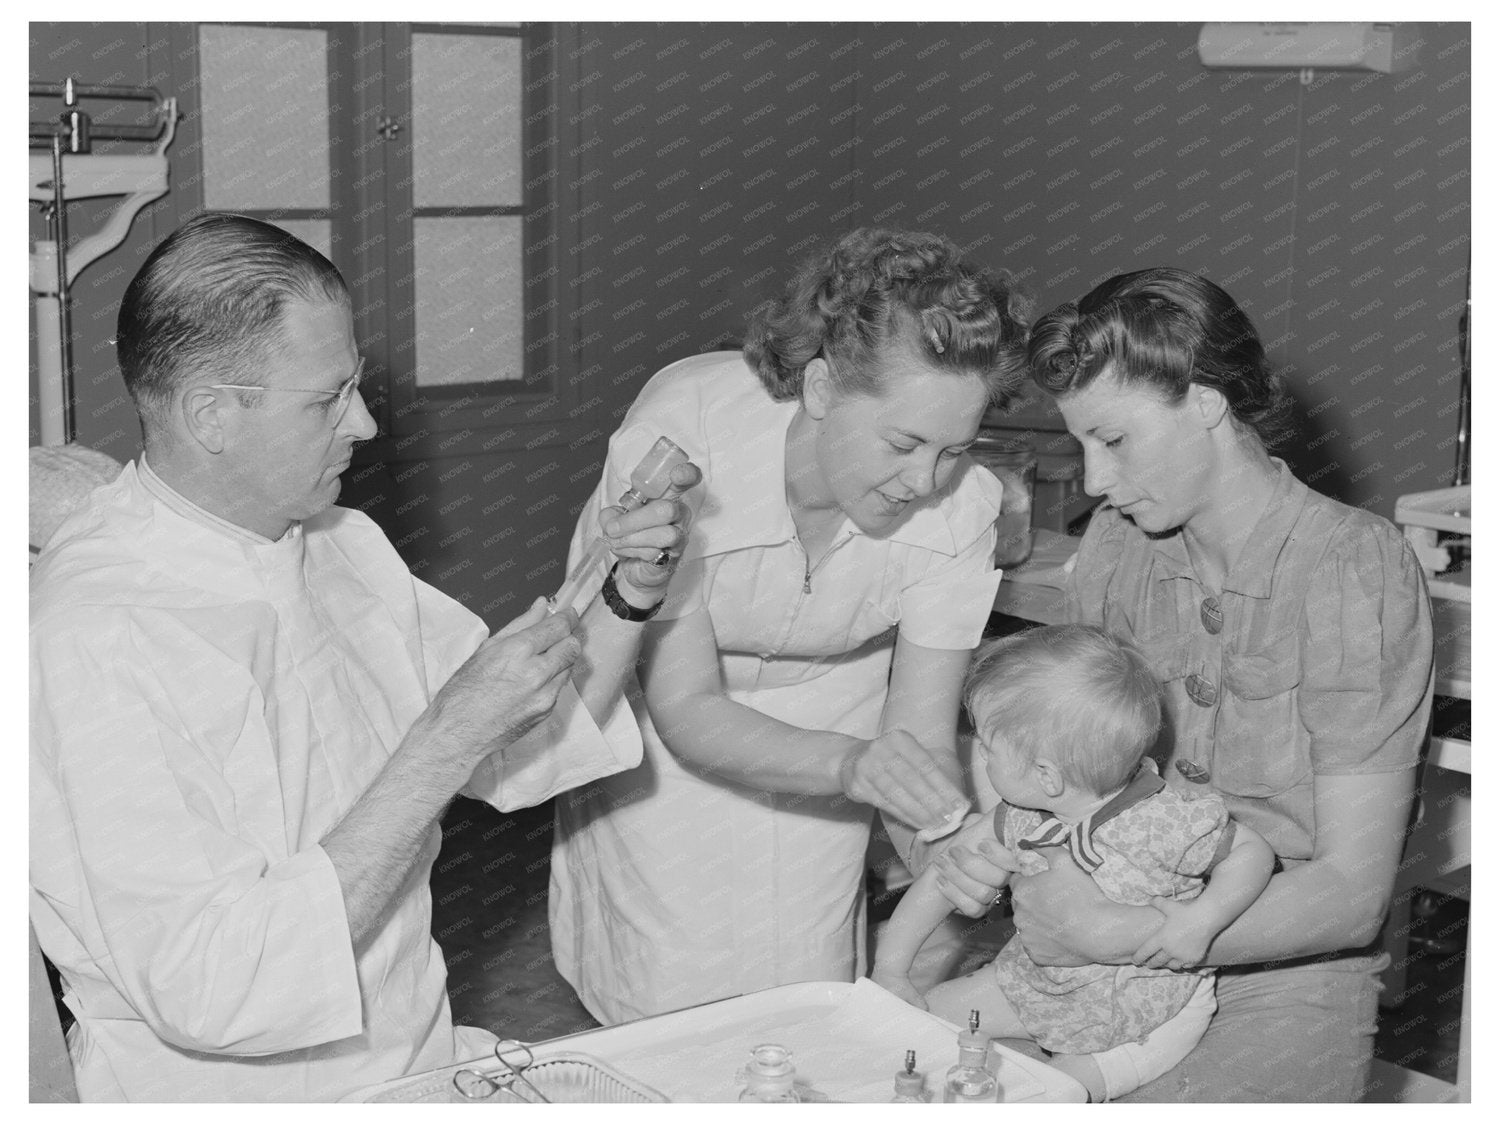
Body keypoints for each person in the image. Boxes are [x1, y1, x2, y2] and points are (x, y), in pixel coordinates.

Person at [29, 213, 697, 1101]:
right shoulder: (95, 634)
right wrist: (445, 737)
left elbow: (526, 741)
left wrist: (625, 593)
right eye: (329, 397)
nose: (368, 422)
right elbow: (219, 986)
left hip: (412, 1057)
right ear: (209, 414)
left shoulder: (341, 544)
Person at [929, 267, 1435, 1101]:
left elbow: (1351, 893)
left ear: (1206, 401)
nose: (1094, 480)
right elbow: (1067, 780)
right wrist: (994, 853)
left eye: (1114, 440)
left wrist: (1120, 933)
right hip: (1093, 957)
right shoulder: (1117, 547)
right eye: (1082, 445)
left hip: (1284, 974)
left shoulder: (1353, 567)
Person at [548, 228, 1032, 1024]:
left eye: (954, 450)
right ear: (821, 387)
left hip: (834, 702)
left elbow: (917, 737)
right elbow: (687, 706)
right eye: (904, 442)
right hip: (668, 723)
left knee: (808, 987)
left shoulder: (963, 505)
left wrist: (942, 844)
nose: (924, 481)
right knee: (670, 995)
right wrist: (853, 766)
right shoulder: (682, 445)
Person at [872, 625, 1275, 1101]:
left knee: (1055, 1090)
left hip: (1147, 1006)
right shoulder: (1020, 814)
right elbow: (940, 880)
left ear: (1046, 775)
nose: (979, 754)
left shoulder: (1165, 820)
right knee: (919, 1016)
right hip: (1038, 984)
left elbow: (1252, 851)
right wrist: (892, 969)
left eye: (987, 748)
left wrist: (1202, 919)